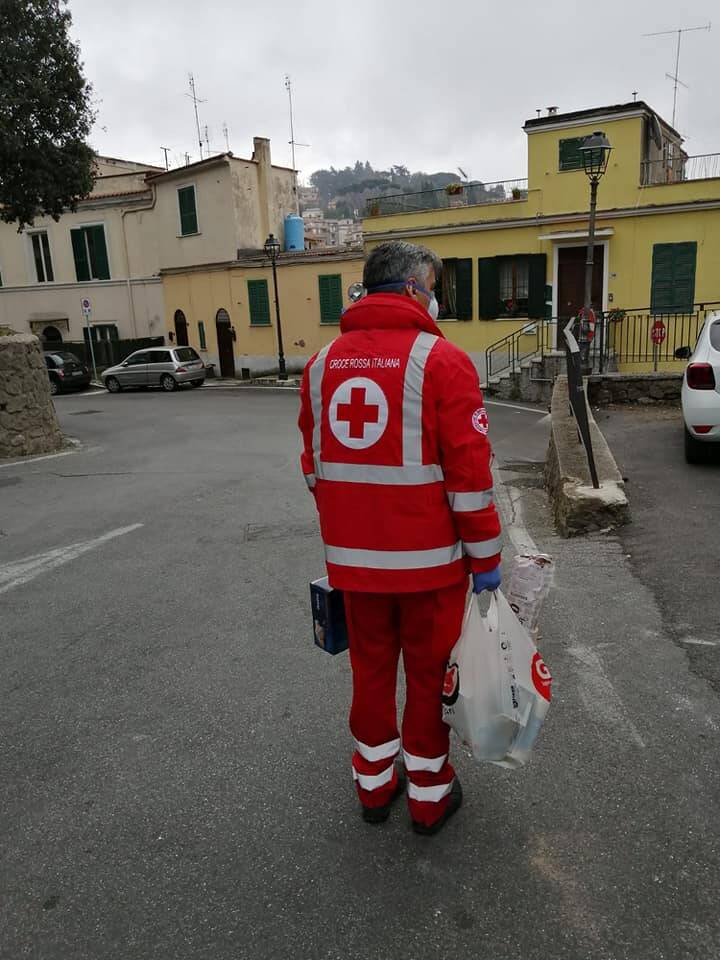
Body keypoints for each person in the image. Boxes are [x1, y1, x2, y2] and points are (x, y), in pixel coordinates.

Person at [298, 241, 502, 835]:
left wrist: (354, 521)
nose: (435, 298)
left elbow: (313, 466)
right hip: (431, 570)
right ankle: (429, 798)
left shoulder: (321, 364)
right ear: (415, 289)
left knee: (370, 671)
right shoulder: (442, 362)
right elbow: (470, 479)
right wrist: (485, 558)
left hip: (354, 569)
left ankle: (374, 785)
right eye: (433, 286)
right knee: (428, 676)